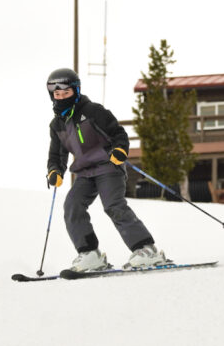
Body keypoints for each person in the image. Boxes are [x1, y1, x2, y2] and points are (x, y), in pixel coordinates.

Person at [46, 68, 168, 271]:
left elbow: (118, 133)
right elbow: (56, 155)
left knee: (113, 205)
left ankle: (146, 250)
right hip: (84, 173)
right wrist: (54, 171)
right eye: (56, 95)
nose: (60, 98)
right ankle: (89, 253)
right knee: (72, 206)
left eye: (65, 93)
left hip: (108, 166)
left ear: (75, 91)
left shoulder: (93, 111)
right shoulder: (56, 125)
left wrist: (119, 150)